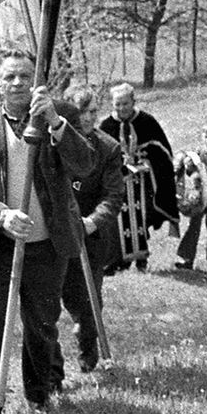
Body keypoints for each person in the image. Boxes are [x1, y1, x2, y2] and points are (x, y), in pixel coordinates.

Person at [0, 50, 97, 414]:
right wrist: (1, 214)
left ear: (37, 82)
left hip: (47, 244)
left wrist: (54, 122)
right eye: (9, 77)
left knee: (41, 324)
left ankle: (40, 394)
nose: (17, 83)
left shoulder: (58, 113)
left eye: (24, 76)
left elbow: (86, 163)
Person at [57, 91, 124, 373]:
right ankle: (52, 366)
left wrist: (91, 222)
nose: (87, 118)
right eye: (81, 112)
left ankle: (87, 346)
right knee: (54, 297)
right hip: (55, 232)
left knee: (88, 301)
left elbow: (113, 196)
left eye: (93, 112)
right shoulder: (52, 141)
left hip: (90, 236)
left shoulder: (108, 148)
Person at [98, 82, 176, 272]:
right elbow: (99, 154)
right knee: (116, 219)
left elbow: (162, 151)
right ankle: (119, 259)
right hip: (118, 181)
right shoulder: (107, 125)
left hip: (144, 182)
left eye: (125, 103)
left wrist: (147, 162)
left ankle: (141, 257)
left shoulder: (147, 121)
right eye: (117, 104)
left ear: (133, 101)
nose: (122, 108)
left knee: (141, 217)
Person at [174, 119, 207, 271]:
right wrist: (187, 164)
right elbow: (189, 170)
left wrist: (204, 169)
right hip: (199, 193)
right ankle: (187, 258)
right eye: (205, 136)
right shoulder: (198, 152)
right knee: (194, 225)